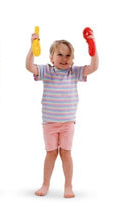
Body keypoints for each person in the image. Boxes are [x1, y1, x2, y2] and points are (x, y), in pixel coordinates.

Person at [25, 31, 99, 198]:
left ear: (72, 59)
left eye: (68, 56)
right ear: (51, 57)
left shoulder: (74, 72)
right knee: (51, 153)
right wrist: (32, 47)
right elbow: (29, 66)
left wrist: (93, 49)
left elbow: (94, 67)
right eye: (60, 54)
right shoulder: (47, 71)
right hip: (49, 123)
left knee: (66, 153)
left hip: (67, 123)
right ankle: (45, 185)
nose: (64, 59)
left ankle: (68, 186)